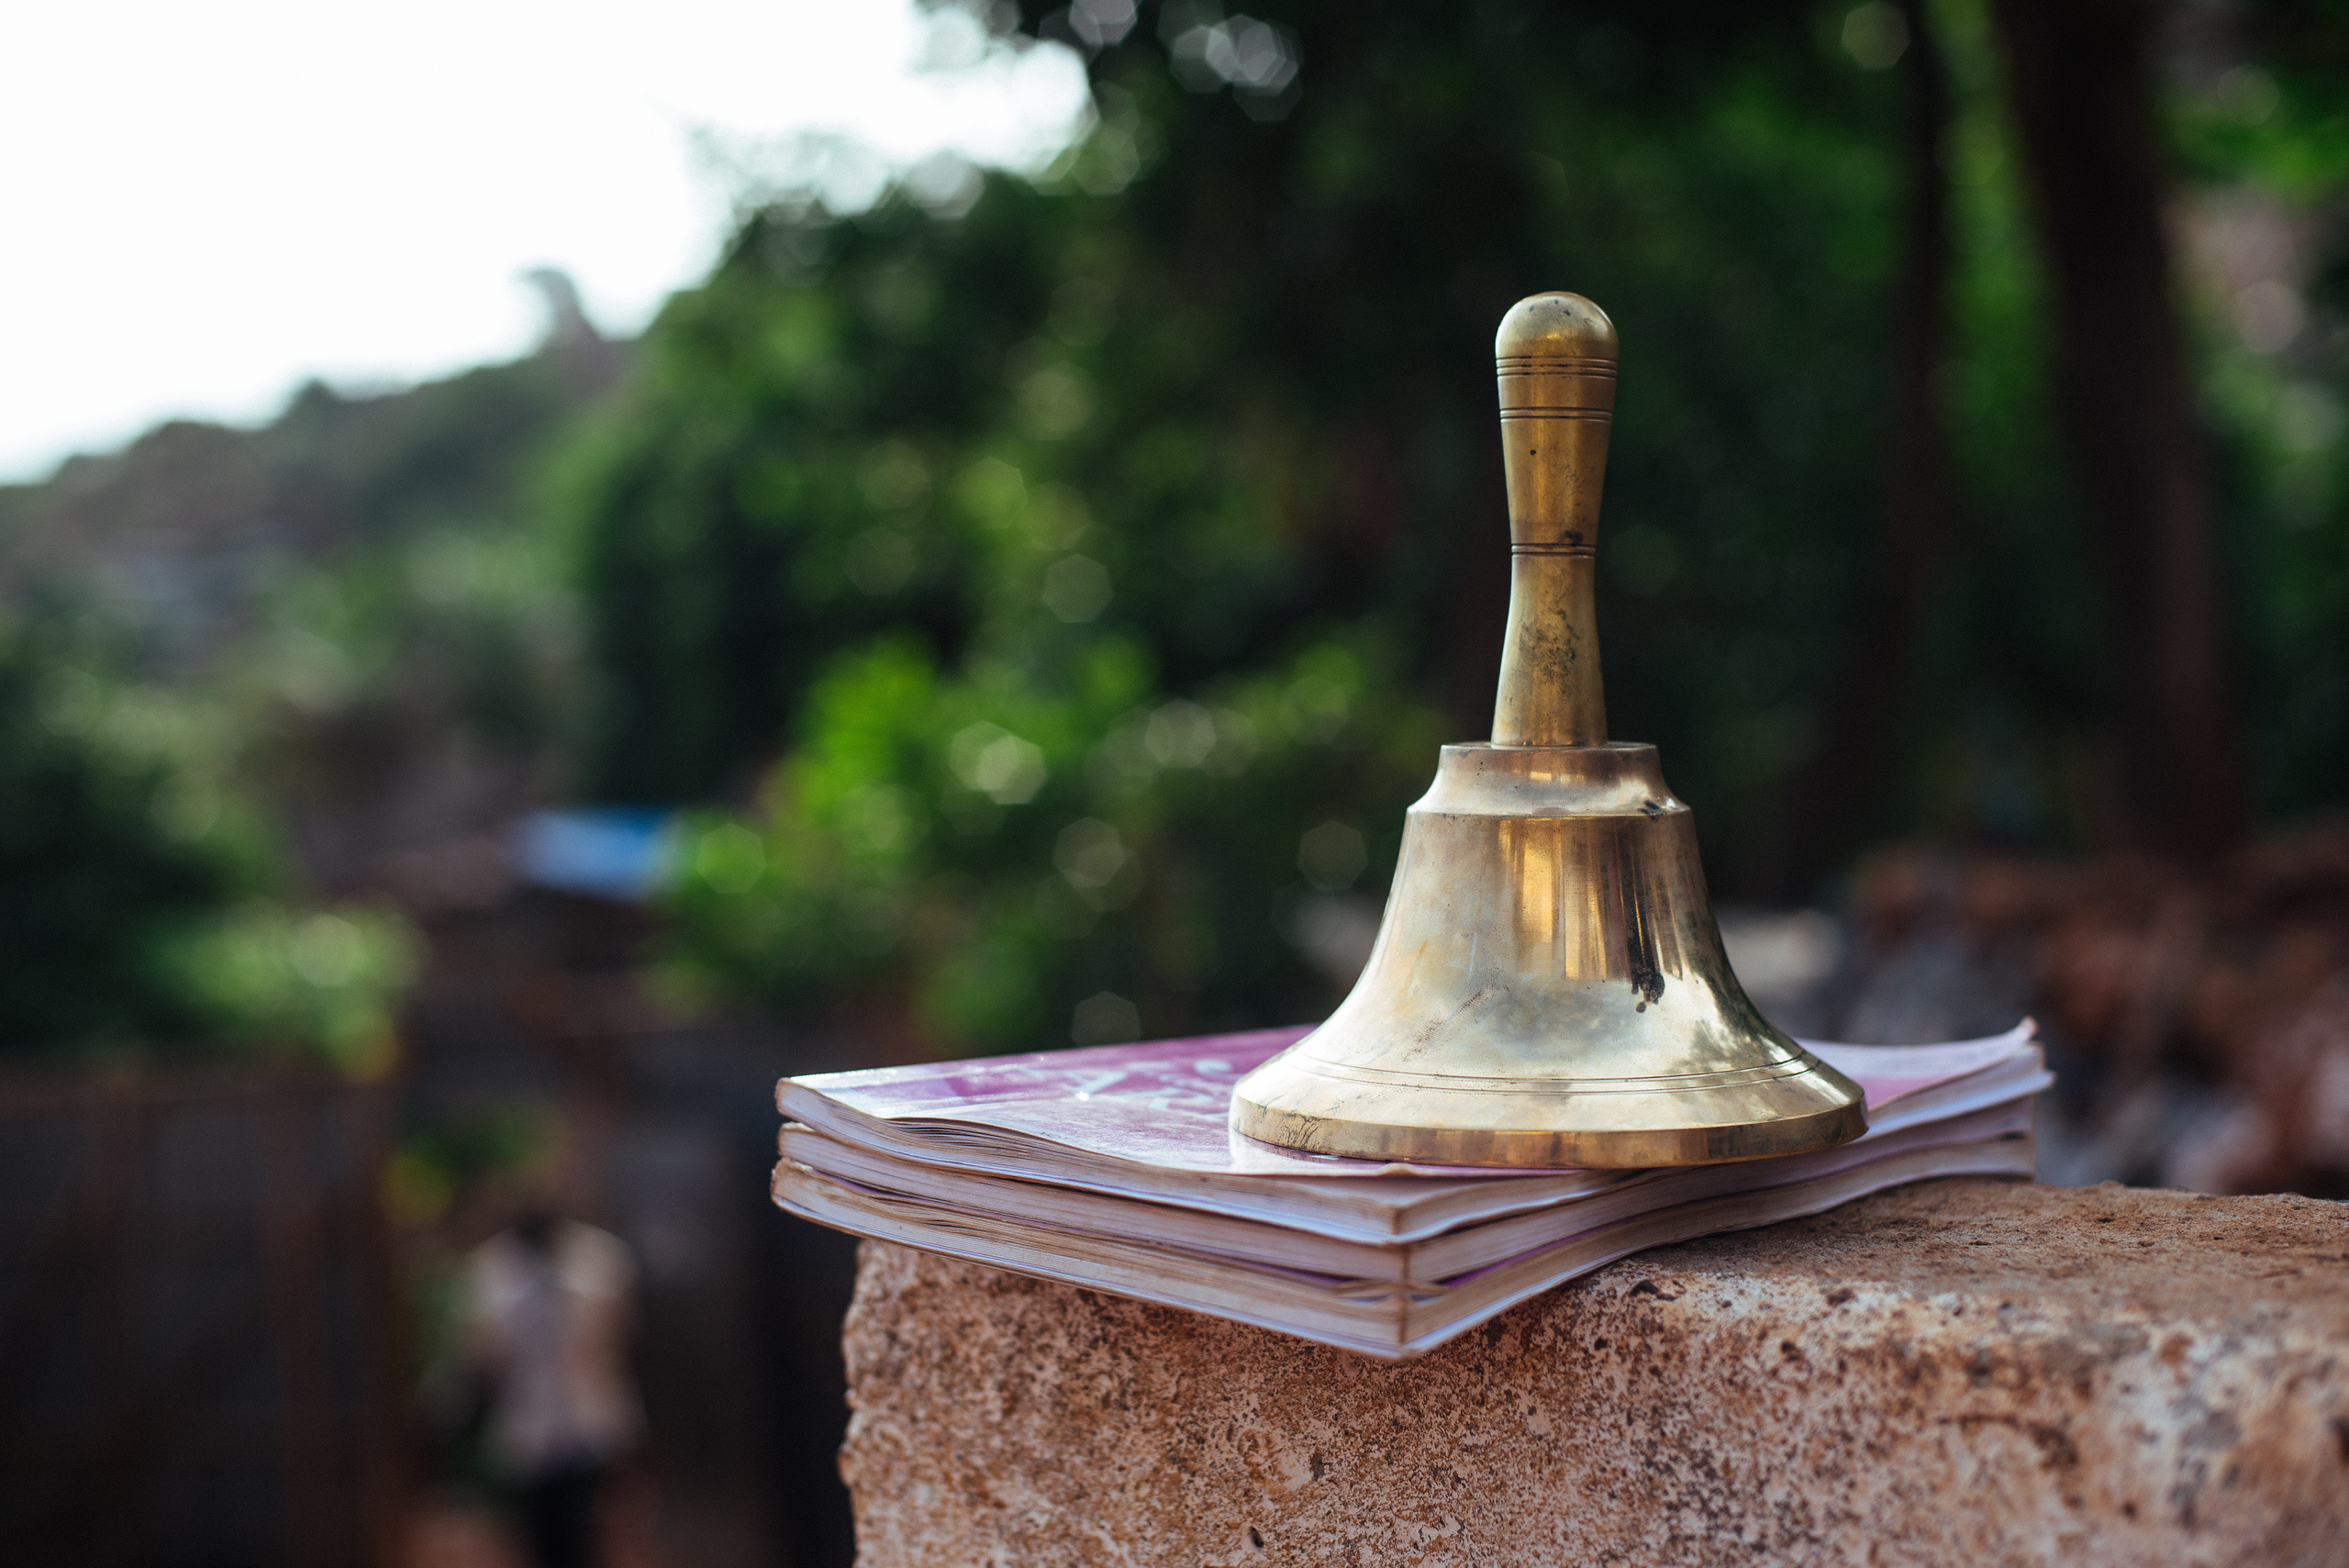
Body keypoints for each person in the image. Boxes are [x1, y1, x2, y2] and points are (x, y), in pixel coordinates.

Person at [462, 1210, 643, 1568]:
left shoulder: (601, 1258)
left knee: (593, 1538)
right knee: (540, 1538)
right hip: (527, 1431)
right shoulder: (488, 1270)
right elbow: (482, 1356)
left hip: (591, 1425)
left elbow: (623, 1337)